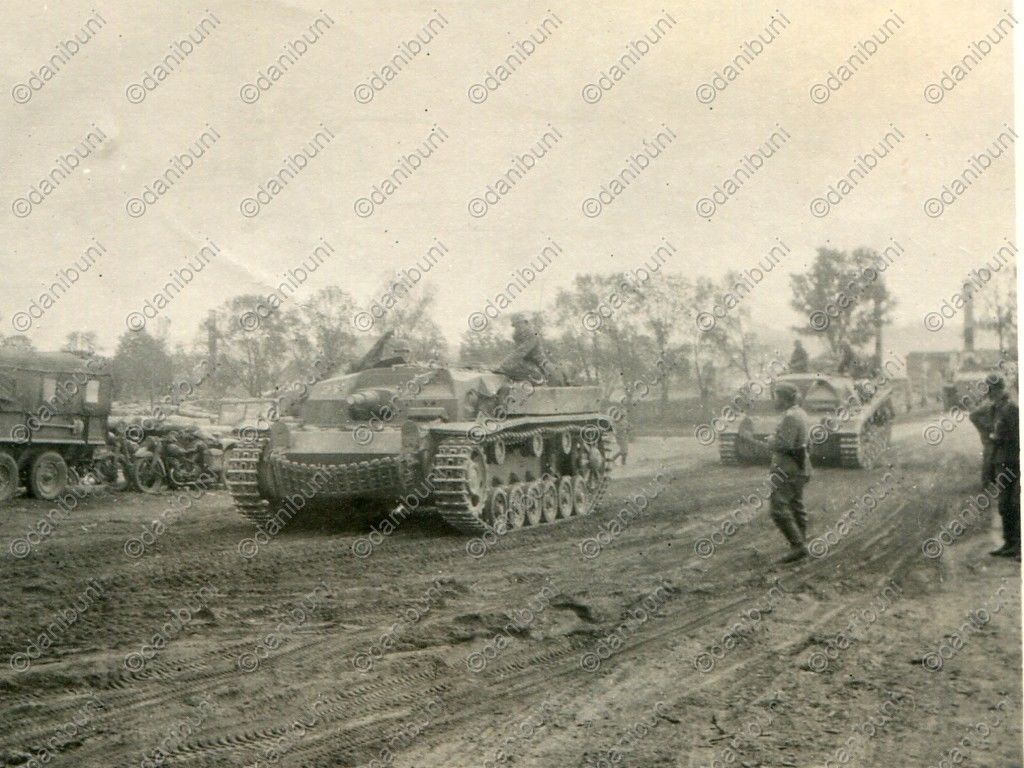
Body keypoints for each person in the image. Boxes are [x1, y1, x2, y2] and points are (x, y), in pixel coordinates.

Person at [765, 382, 811, 563]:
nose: (775, 400)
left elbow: (784, 444)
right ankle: (801, 542)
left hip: (787, 468)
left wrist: (770, 441)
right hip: (799, 467)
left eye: (777, 396)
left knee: (778, 508)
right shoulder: (800, 413)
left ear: (784, 398)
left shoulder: (790, 417)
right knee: (795, 505)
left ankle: (798, 546)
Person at [987, 377, 1020, 559]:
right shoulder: (996, 408)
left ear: (1001, 390)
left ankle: (1017, 545)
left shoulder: (1011, 408)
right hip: (1000, 461)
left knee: (1014, 504)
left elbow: (1016, 435)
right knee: (1004, 504)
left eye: (994, 391)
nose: (992, 395)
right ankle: (1009, 543)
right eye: (991, 392)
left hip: (1012, 460)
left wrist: (997, 437)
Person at [495, 314, 559, 384]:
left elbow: (521, 351)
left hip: (538, 362)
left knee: (547, 374)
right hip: (526, 362)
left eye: (520, 324)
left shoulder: (533, 334)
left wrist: (504, 365)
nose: (518, 328)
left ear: (525, 323)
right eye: (516, 326)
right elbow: (516, 352)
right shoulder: (517, 336)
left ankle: (539, 379)